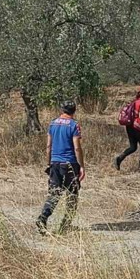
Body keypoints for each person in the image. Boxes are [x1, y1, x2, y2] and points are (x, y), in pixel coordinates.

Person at [37, 100, 85, 235]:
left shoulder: (53, 123)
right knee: (72, 196)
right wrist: (81, 166)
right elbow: (77, 147)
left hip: (55, 163)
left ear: (62, 109)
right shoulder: (74, 125)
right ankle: (65, 225)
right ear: (74, 110)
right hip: (69, 164)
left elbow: (48, 147)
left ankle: (43, 218)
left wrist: (49, 164)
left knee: (54, 194)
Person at [114, 84, 140, 172]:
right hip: (138, 128)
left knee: (133, 147)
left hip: (130, 127)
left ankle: (119, 158)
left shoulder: (135, 101)